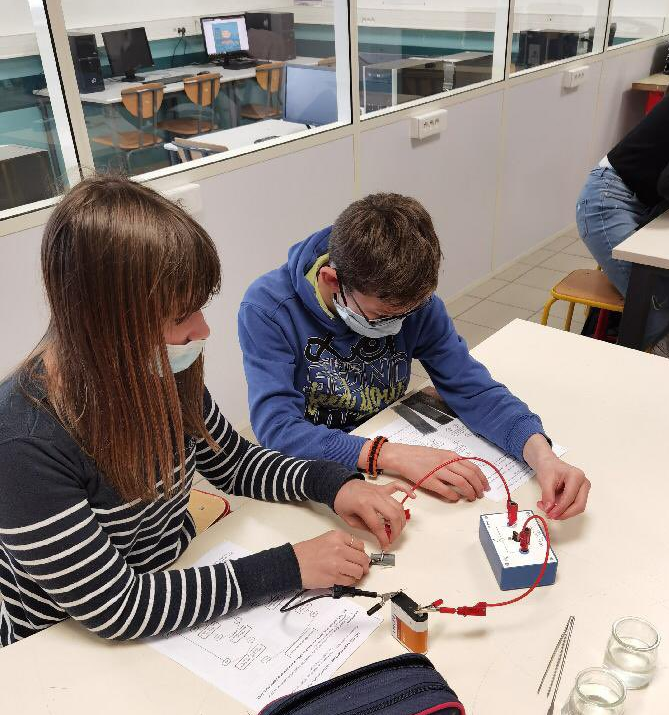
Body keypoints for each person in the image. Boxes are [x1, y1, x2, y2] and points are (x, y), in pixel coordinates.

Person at [0, 177, 410, 648]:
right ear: (105, 324)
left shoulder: (156, 371)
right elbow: (116, 608)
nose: (203, 329)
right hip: (57, 639)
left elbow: (234, 464)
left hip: (170, 575)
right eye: (180, 317)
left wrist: (334, 485)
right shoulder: (22, 440)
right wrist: (290, 566)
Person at [239, 193, 590, 519]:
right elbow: (278, 430)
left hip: (391, 449)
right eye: (383, 315)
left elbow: (473, 390)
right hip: (317, 473)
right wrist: (389, 455)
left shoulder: (415, 305)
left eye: (409, 312)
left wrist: (542, 456)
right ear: (333, 281)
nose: (399, 324)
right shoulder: (269, 310)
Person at [576, 52, 669, 361]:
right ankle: (614, 373)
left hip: (640, 199)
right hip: (607, 201)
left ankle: (648, 356)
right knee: (653, 309)